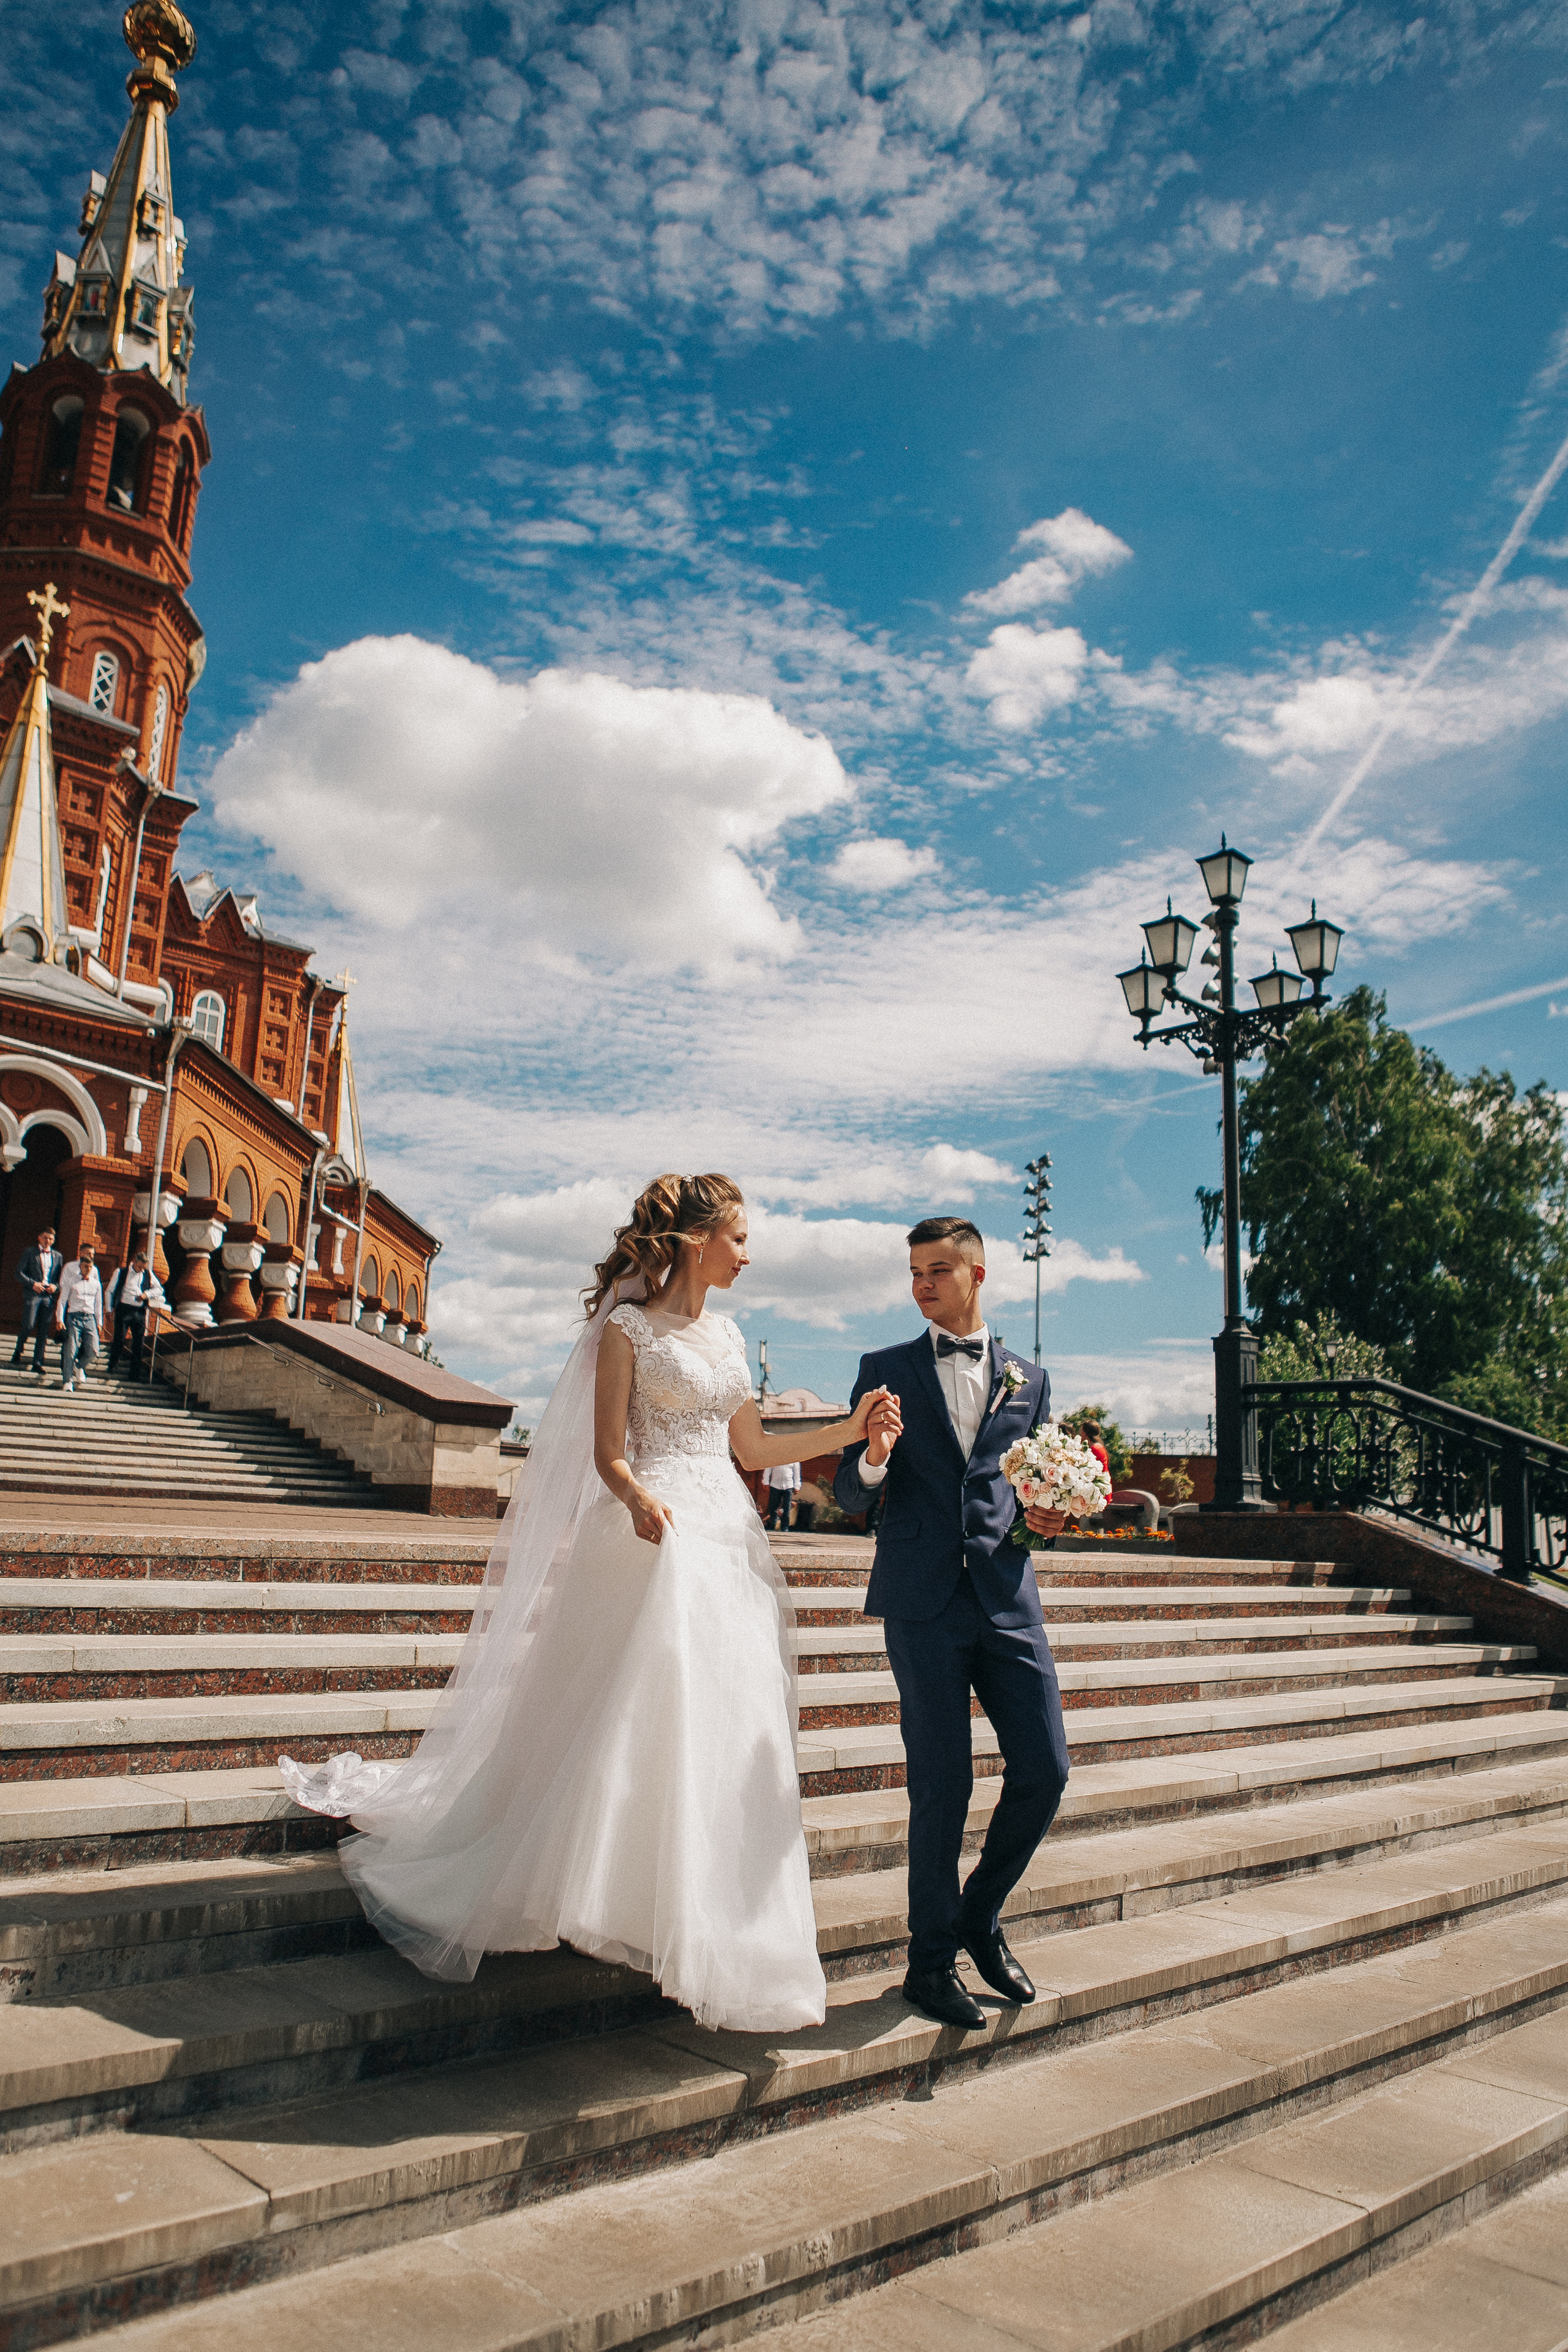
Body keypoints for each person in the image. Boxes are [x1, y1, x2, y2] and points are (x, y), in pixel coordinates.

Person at [281, 1172, 899, 2034]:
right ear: (694, 1241)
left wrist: (853, 1429)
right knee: (645, 1707)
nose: (749, 1254)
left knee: (722, 1715)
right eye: (739, 1237)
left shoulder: (725, 1333)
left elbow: (752, 1444)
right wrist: (640, 1499)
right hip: (653, 1533)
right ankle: (594, 1889)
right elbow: (609, 1455)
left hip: (726, 1534)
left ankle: (691, 1904)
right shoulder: (627, 1331)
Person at [835, 1215, 1070, 2034]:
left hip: (1009, 1601)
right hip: (921, 1602)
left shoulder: (1030, 1379)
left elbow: (1027, 1491)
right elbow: (849, 1494)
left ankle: (980, 1914)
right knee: (944, 1783)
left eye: (938, 1269)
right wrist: (873, 1457)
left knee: (1046, 1769)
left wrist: (1055, 1511)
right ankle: (929, 1963)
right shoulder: (885, 1370)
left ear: (978, 1273)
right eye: (914, 1272)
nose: (922, 1284)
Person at [10, 1227, 61, 1376]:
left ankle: (38, 1362)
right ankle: (18, 1350)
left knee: (44, 1330)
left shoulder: (58, 1256)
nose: (48, 1241)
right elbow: (18, 1273)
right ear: (40, 1238)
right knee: (29, 1324)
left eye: (51, 1239)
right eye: (46, 1238)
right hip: (34, 1294)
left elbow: (59, 1279)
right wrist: (33, 1284)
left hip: (48, 1297)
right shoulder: (30, 1252)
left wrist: (55, 1287)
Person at [54, 1243, 105, 1393]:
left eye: (90, 1267)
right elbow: (62, 1300)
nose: (88, 1269)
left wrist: (99, 1322)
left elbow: (99, 1303)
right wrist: (59, 1319)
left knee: (94, 1350)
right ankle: (68, 1381)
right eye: (85, 1267)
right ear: (80, 1266)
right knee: (70, 1350)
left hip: (89, 1317)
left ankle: (79, 1366)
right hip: (74, 1316)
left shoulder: (96, 1283)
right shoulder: (72, 1278)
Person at [106, 1253, 165, 1380]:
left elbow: (160, 1290)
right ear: (134, 1262)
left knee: (139, 1343)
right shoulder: (121, 1272)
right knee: (120, 1339)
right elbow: (110, 1290)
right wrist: (109, 1309)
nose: (141, 1269)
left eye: (143, 1267)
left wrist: (146, 1294)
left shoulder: (148, 1274)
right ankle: (112, 1365)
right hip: (123, 1309)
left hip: (139, 1312)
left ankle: (134, 1374)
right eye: (139, 1267)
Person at [763, 1457, 801, 1532]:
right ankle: (773, 1525)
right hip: (775, 1485)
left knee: (787, 1507)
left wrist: (797, 1486)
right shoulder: (774, 1457)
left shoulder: (794, 1458)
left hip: (788, 1486)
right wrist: (766, 1482)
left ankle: (785, 1527)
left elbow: (797, 1474)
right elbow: (768, 1470)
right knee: (773, 1506)